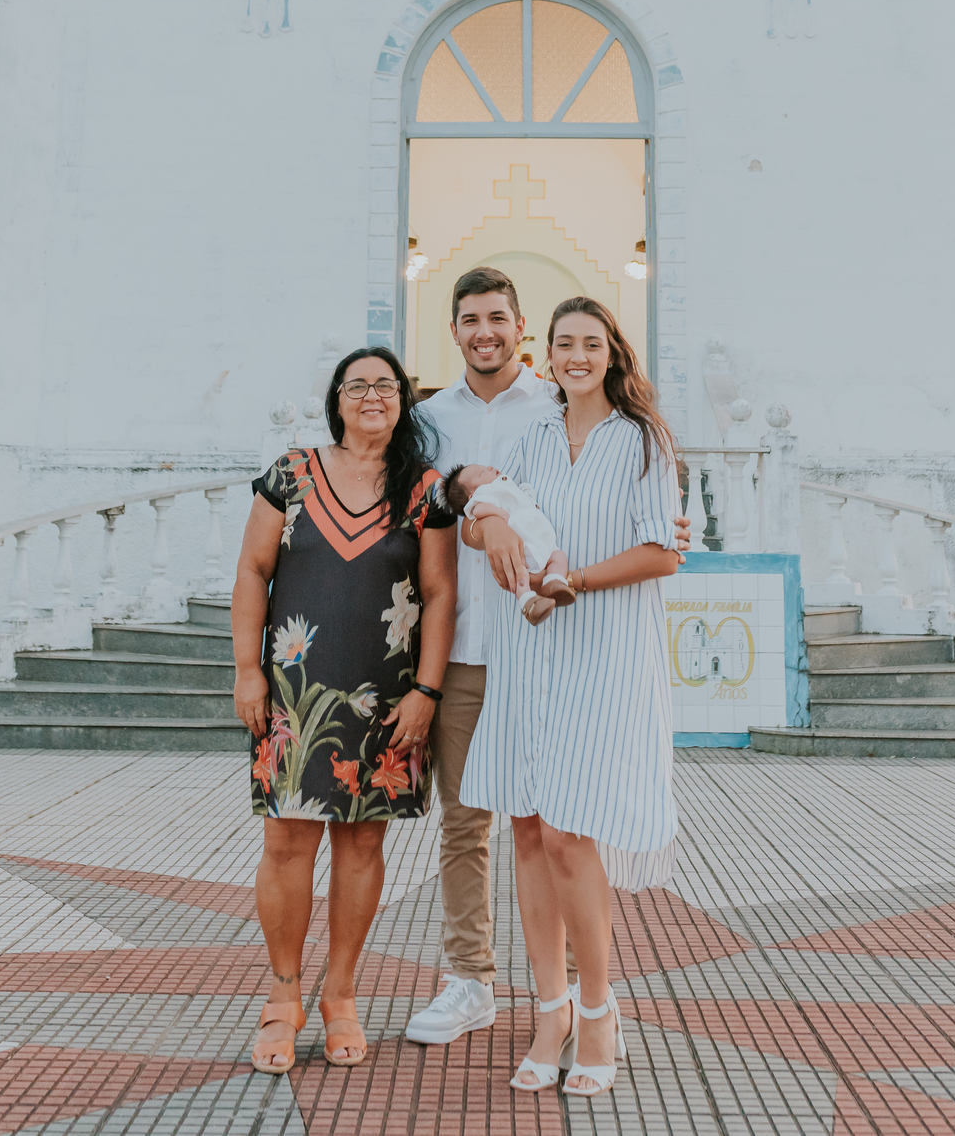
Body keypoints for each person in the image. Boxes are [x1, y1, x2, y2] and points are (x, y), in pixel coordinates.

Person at [404, 266, 689, 1048]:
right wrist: (484, 517)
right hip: (471, 641)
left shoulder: (592, 421)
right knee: (476, 823)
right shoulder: (430, 419)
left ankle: (578, 1001)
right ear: (455, 329)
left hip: (564, 650)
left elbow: (658, 539)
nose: (485, 331)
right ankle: (477, 984)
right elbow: (438, 507)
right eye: (470, 319)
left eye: (499, 318)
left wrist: (642, 548)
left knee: (563, 832)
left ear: (520, 329)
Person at [231, 346, 458, 1073]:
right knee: (286, 844)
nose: (371, 397)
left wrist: (425, 692)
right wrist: (246, 671)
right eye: (357, 386)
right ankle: (283, 995)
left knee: (363, 846)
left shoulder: (423, 490)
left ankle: (342, 994)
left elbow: (441, 593)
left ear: (403, 402)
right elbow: (253, 571)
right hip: (297, 692)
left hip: (389, 696)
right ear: (336, 399)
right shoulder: (291, 475)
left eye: (385, 386)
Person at [440, 462, 573, 623]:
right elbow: (477, 510)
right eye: (481, 473)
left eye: (485, 467)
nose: (489, 468)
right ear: (472, 496)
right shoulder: (485, 494)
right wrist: (498, 514)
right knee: (519, 570)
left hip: (540, 539)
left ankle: (554, 582)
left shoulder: (506, 485)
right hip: (521, 540)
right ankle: (527, 601)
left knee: (558, 556)